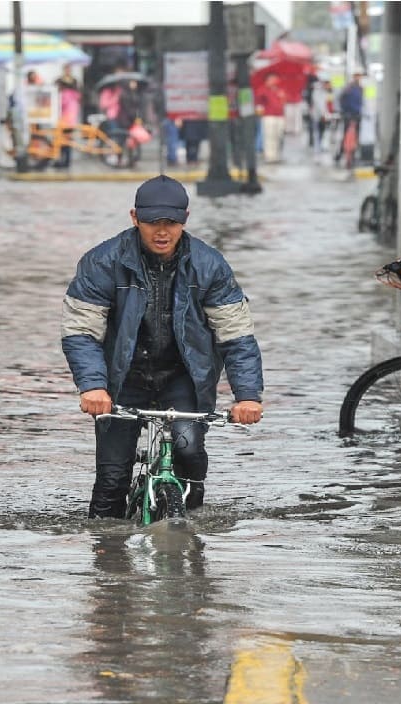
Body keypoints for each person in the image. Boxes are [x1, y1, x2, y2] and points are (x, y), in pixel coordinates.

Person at [61, 176, 265, 518]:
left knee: (189, 450)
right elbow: (81, 331)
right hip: (121, 378)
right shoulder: (101, 262)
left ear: (185, 219)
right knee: (112, 479)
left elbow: (236, 335)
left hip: (183, 377)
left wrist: (248, 395)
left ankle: (190, 530)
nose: (162, 231)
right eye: (152, 222)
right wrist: (93, 386)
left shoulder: (210, 264)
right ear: (134, 217)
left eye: (171, 222)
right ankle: (107, 560)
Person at [255, 72, 287, 164]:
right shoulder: (262, 90)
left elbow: (283, 102)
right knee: (269, 136)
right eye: (272, 79)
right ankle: (270, 156)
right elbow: (259, 102)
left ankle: (276, 155)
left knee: (278, 136)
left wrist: (282, 97)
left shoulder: (279, 90)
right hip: (268, 116)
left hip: (279, 116)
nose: (274, 81)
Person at [54, 68, 81, 168]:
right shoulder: (75, 95)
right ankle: (66, 161)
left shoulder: (65, 95)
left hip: (65, 120)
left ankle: (64, 161)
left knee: (63, 142)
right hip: (70, 120)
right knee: (67, 141)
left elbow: (60, 105)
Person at [336, 73, 363, 164]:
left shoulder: (360, 88)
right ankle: (340, 154)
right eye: (356, 76)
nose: (358, 78)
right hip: (348, 115)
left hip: (357, 115)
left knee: (355, 137)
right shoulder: (348, 88)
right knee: (346, 136)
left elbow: (362, 102)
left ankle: (353, 156)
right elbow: (341, 99)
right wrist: (344, 112)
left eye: (359, 76)